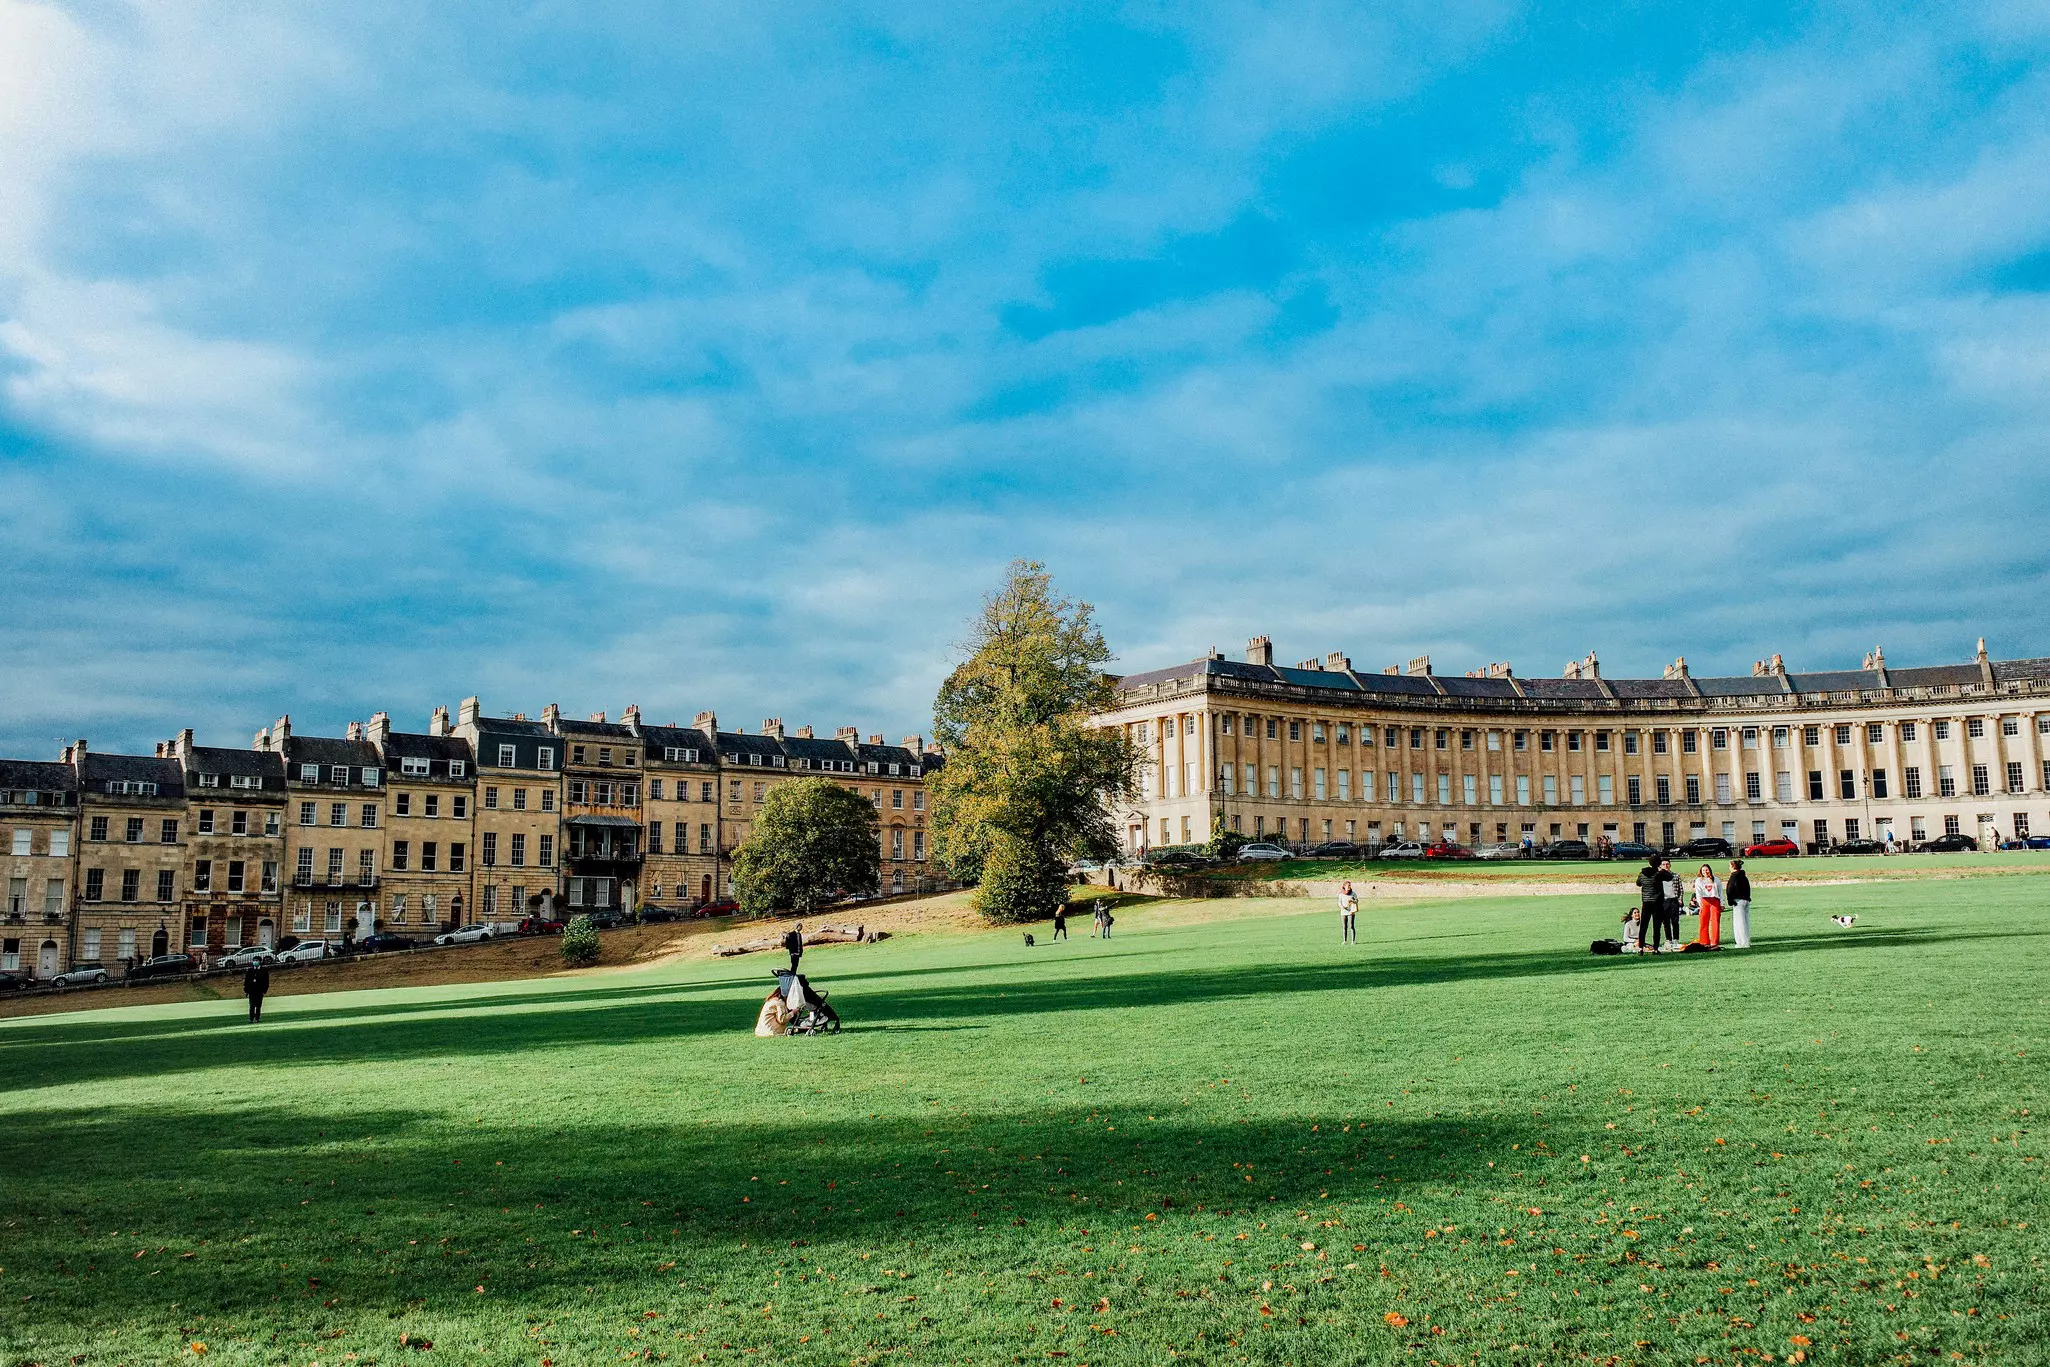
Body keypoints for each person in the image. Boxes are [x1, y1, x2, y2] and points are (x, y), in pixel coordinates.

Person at [1634, 856, 1664, 954]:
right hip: (1657, 903)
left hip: (1646, 902)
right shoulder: (1659, 874)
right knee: (1656, 927)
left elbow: (1638, 883)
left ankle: (1640, 948)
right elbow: (1670, 877)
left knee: (1643, 926)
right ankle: (1655, 948)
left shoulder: (1642, 874)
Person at [1692, 863, 1723, 948]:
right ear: (1701, 871)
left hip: (1715, 900)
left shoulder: (1716, 879)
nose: (1705, 872)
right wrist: (1699, 903)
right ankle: (1704, 941)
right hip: (1704, 901)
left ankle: (1714, 942)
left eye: (1707, 870)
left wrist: (1722, 903)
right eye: (1703, 870)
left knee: (1715, 921)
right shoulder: (1699, 880)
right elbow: (1698, 892)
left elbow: (1720, 892)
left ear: (1710, 870)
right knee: (1703, 921)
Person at [1727, 859, 1752, 948]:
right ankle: (1746, 940)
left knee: (1739, 922)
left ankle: (1742, 942)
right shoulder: (1743, 876)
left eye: (1730, 866)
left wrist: (1730, 900)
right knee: (1745, 921)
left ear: (1733, 866)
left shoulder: (1734, 876)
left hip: (1738, 901)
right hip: (1745, 900)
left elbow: (1730, 889)